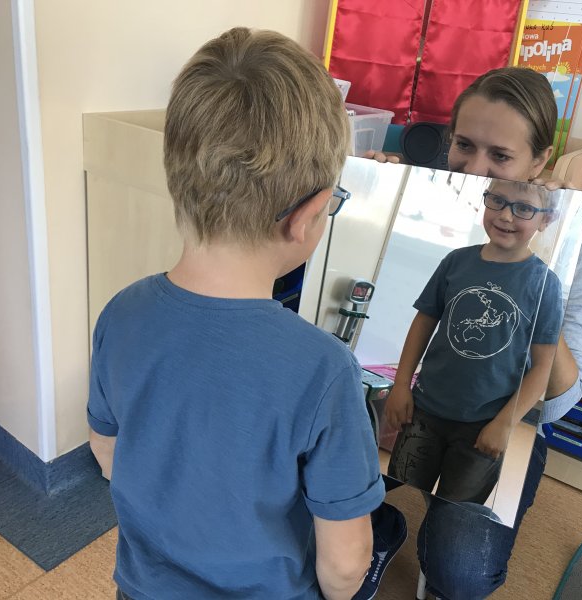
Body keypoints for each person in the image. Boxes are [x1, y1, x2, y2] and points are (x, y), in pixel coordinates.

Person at [87, 28, 385, 600]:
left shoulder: (120, 313)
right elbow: (346, 565)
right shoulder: (324, 371)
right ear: (308, 217)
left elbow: (107, 453)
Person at [361, 66, 582, 600]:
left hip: (496, 419)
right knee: (316, 484)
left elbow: (560, 402)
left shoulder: (572, 244)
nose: (474, 168)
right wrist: (366, 186)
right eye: (464, 145)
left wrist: (547, 257)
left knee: (461, 571)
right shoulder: (427, 198)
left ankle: (437, 538)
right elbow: (421, 320)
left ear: (539, 162)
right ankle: (380, 529)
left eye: (501, 155)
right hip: (422, 402)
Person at [385, 178, 564, 506]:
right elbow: (423, 323)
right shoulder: (455, 261)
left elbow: (543, 366)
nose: (506, 215)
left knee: (454, 513)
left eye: (523, 208)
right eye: (497, 200)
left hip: (485, 423)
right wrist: (400, 385)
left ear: (546, 220)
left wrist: (505, 423)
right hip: (425, 409)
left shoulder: (544, 284)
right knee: (399, 500)